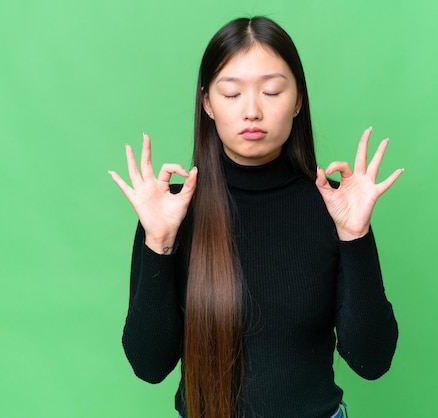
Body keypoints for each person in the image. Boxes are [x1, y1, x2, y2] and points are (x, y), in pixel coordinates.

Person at [108, 16, 403, 418]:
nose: (252, 111)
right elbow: (149, 366)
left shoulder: (334, 206)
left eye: (271, 91)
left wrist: (356, 236)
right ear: (207, 103)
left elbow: (373, 360)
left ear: (298, 100)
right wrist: (158, 242)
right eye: (231, 94)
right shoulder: (171, 211)